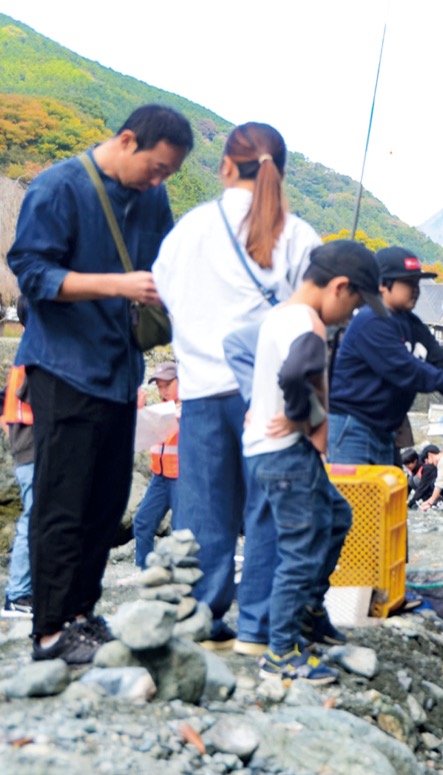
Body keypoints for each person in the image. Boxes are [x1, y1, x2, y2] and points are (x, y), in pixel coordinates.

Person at [10, 104, 192, 664]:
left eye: (169, 174)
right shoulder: (58, 187)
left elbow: (161, 265)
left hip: (120, 370)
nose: (160, 182)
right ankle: (48, 630)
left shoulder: (152, 197)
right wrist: (117, 284)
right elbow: (32, 274)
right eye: (157, 168)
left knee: (106, 498)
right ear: (128, 141)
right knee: (61, 500)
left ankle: (83, 615)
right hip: (62, 366)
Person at [154, 122, 324, 655]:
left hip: (202, 387)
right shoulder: (297, 235)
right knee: (269, 508)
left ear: (226, 166)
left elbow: (161, 293)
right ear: (283, 171)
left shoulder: (192, 228)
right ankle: (259, 627)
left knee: (205, 509)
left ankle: (204, 619)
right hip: (269, 394)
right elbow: (312, 323)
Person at [240, 239, 386, 684]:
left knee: (337, 516)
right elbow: (294, 373)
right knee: (300, 551)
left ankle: (307, 614)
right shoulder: (308, 324)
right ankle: (280, 652)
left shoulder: (282, 315)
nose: (353, 312)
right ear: (339, 287)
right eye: (357, 302)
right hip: (286, 454)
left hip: (277, 452)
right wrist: (303, 417)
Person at [327, 247, 443, 466]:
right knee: (354, 497)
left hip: (384, 429)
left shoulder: (411, 323)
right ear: (383, 285)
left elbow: (441, 360)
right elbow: (406, 369)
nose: (415, 290)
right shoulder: (371, 320)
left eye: (417, 283)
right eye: (408, 283)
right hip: (351, 427)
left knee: (383, 497)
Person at [132, 362, 181, 569]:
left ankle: (185, 577)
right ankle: (146, 574)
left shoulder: (190, 408)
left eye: (167, 385)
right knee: (143, 522)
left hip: (182, 478)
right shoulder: (159, 410)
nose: (163, 391)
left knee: (181, 531)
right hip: (160, 477)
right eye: (159, 386)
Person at [2, 299, 34, 619]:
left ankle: (24, 589)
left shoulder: (27, 347)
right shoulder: (34, 349)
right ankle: (17, 594)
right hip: (33, 446)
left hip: (27, 445)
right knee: (35, 518)